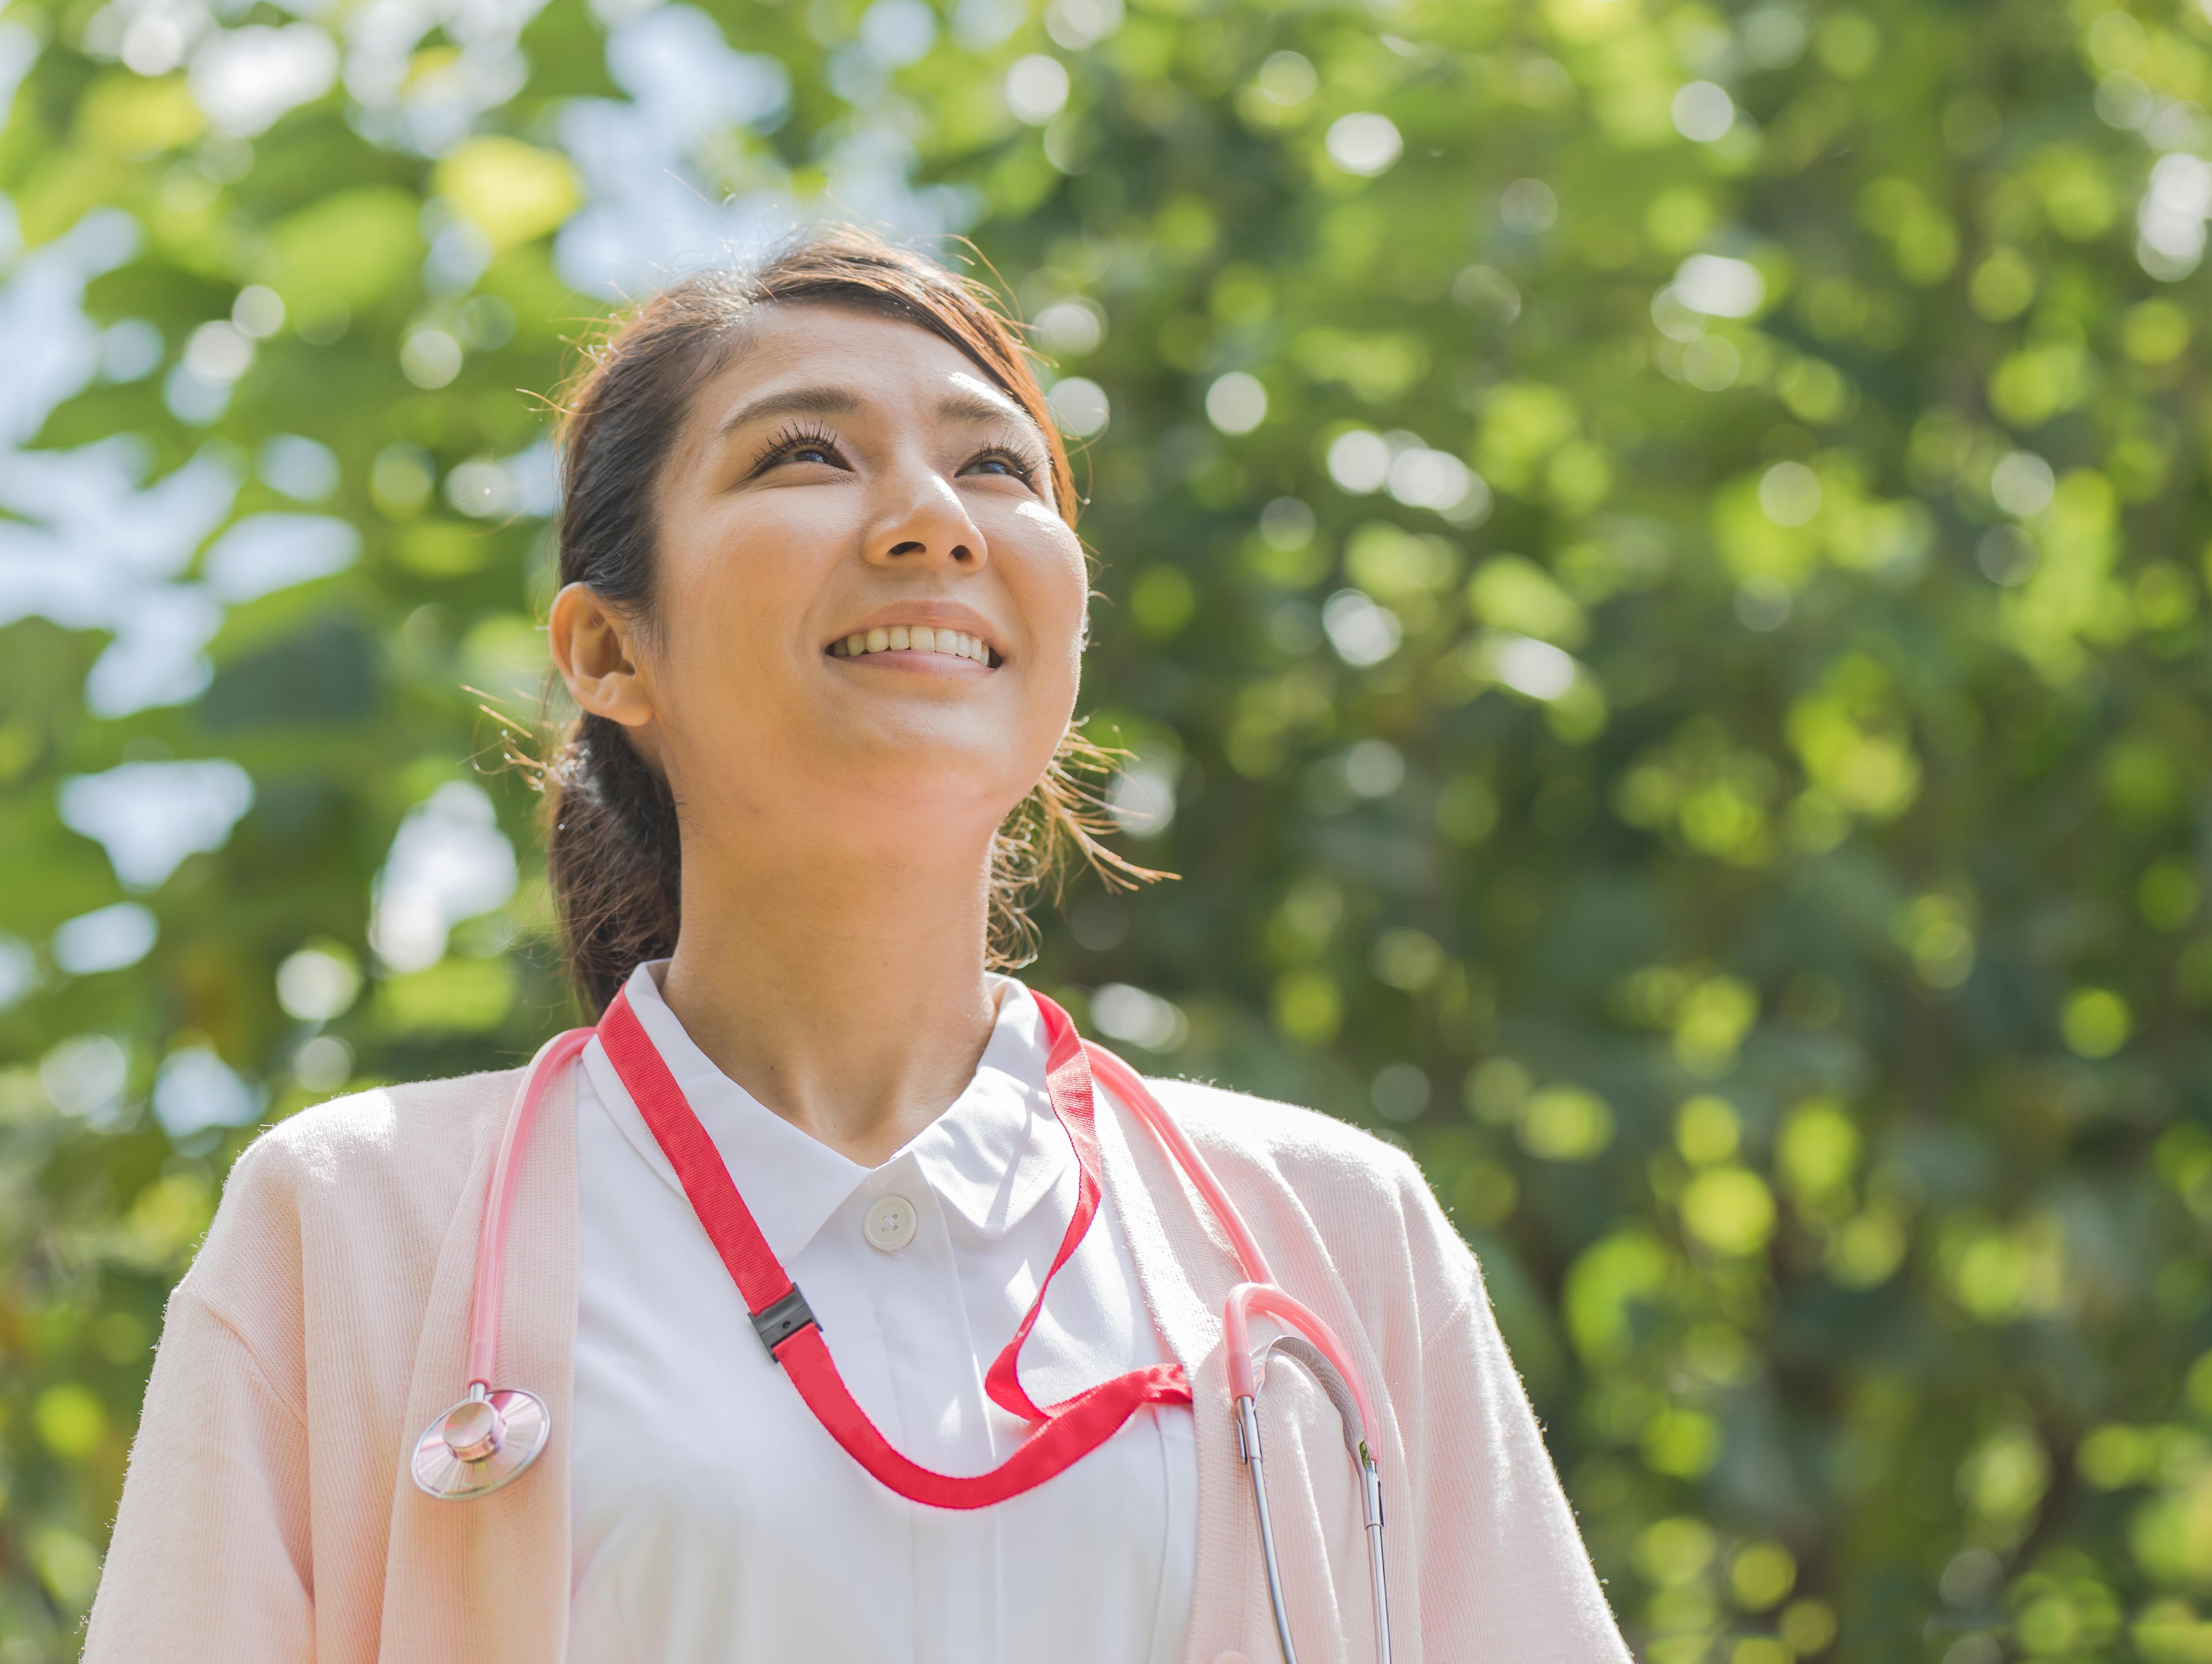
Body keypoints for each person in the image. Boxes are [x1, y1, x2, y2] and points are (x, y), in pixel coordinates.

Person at [83, 232, 1630, 1663]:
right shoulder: (354, 1228)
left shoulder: (1336, 1233)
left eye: (995, 466)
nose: (932, 520)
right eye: (806, 453)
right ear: (610, 649)